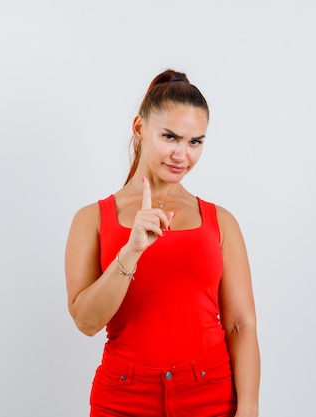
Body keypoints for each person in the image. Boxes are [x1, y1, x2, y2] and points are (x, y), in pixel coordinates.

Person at [65, 69, 260, 417]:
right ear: (140, 128)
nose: (181, 155)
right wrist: (131, 251)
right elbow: (86, 322)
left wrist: (248, 409)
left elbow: (240, 325)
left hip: (211, 396)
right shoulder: (91, 220)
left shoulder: (221, 222)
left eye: (195, 141)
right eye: (170, 137)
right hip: (123, 398)